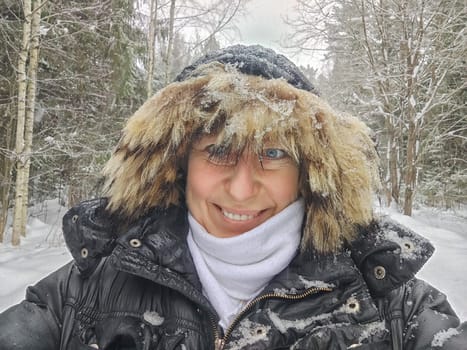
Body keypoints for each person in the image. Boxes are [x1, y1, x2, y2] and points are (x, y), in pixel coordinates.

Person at [0, 45, 465, 350]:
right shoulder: (85, 290)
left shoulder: (392, 303)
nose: (242, 187)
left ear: (309, 172)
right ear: (179, 165)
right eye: (218, 151)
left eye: (273, 153)